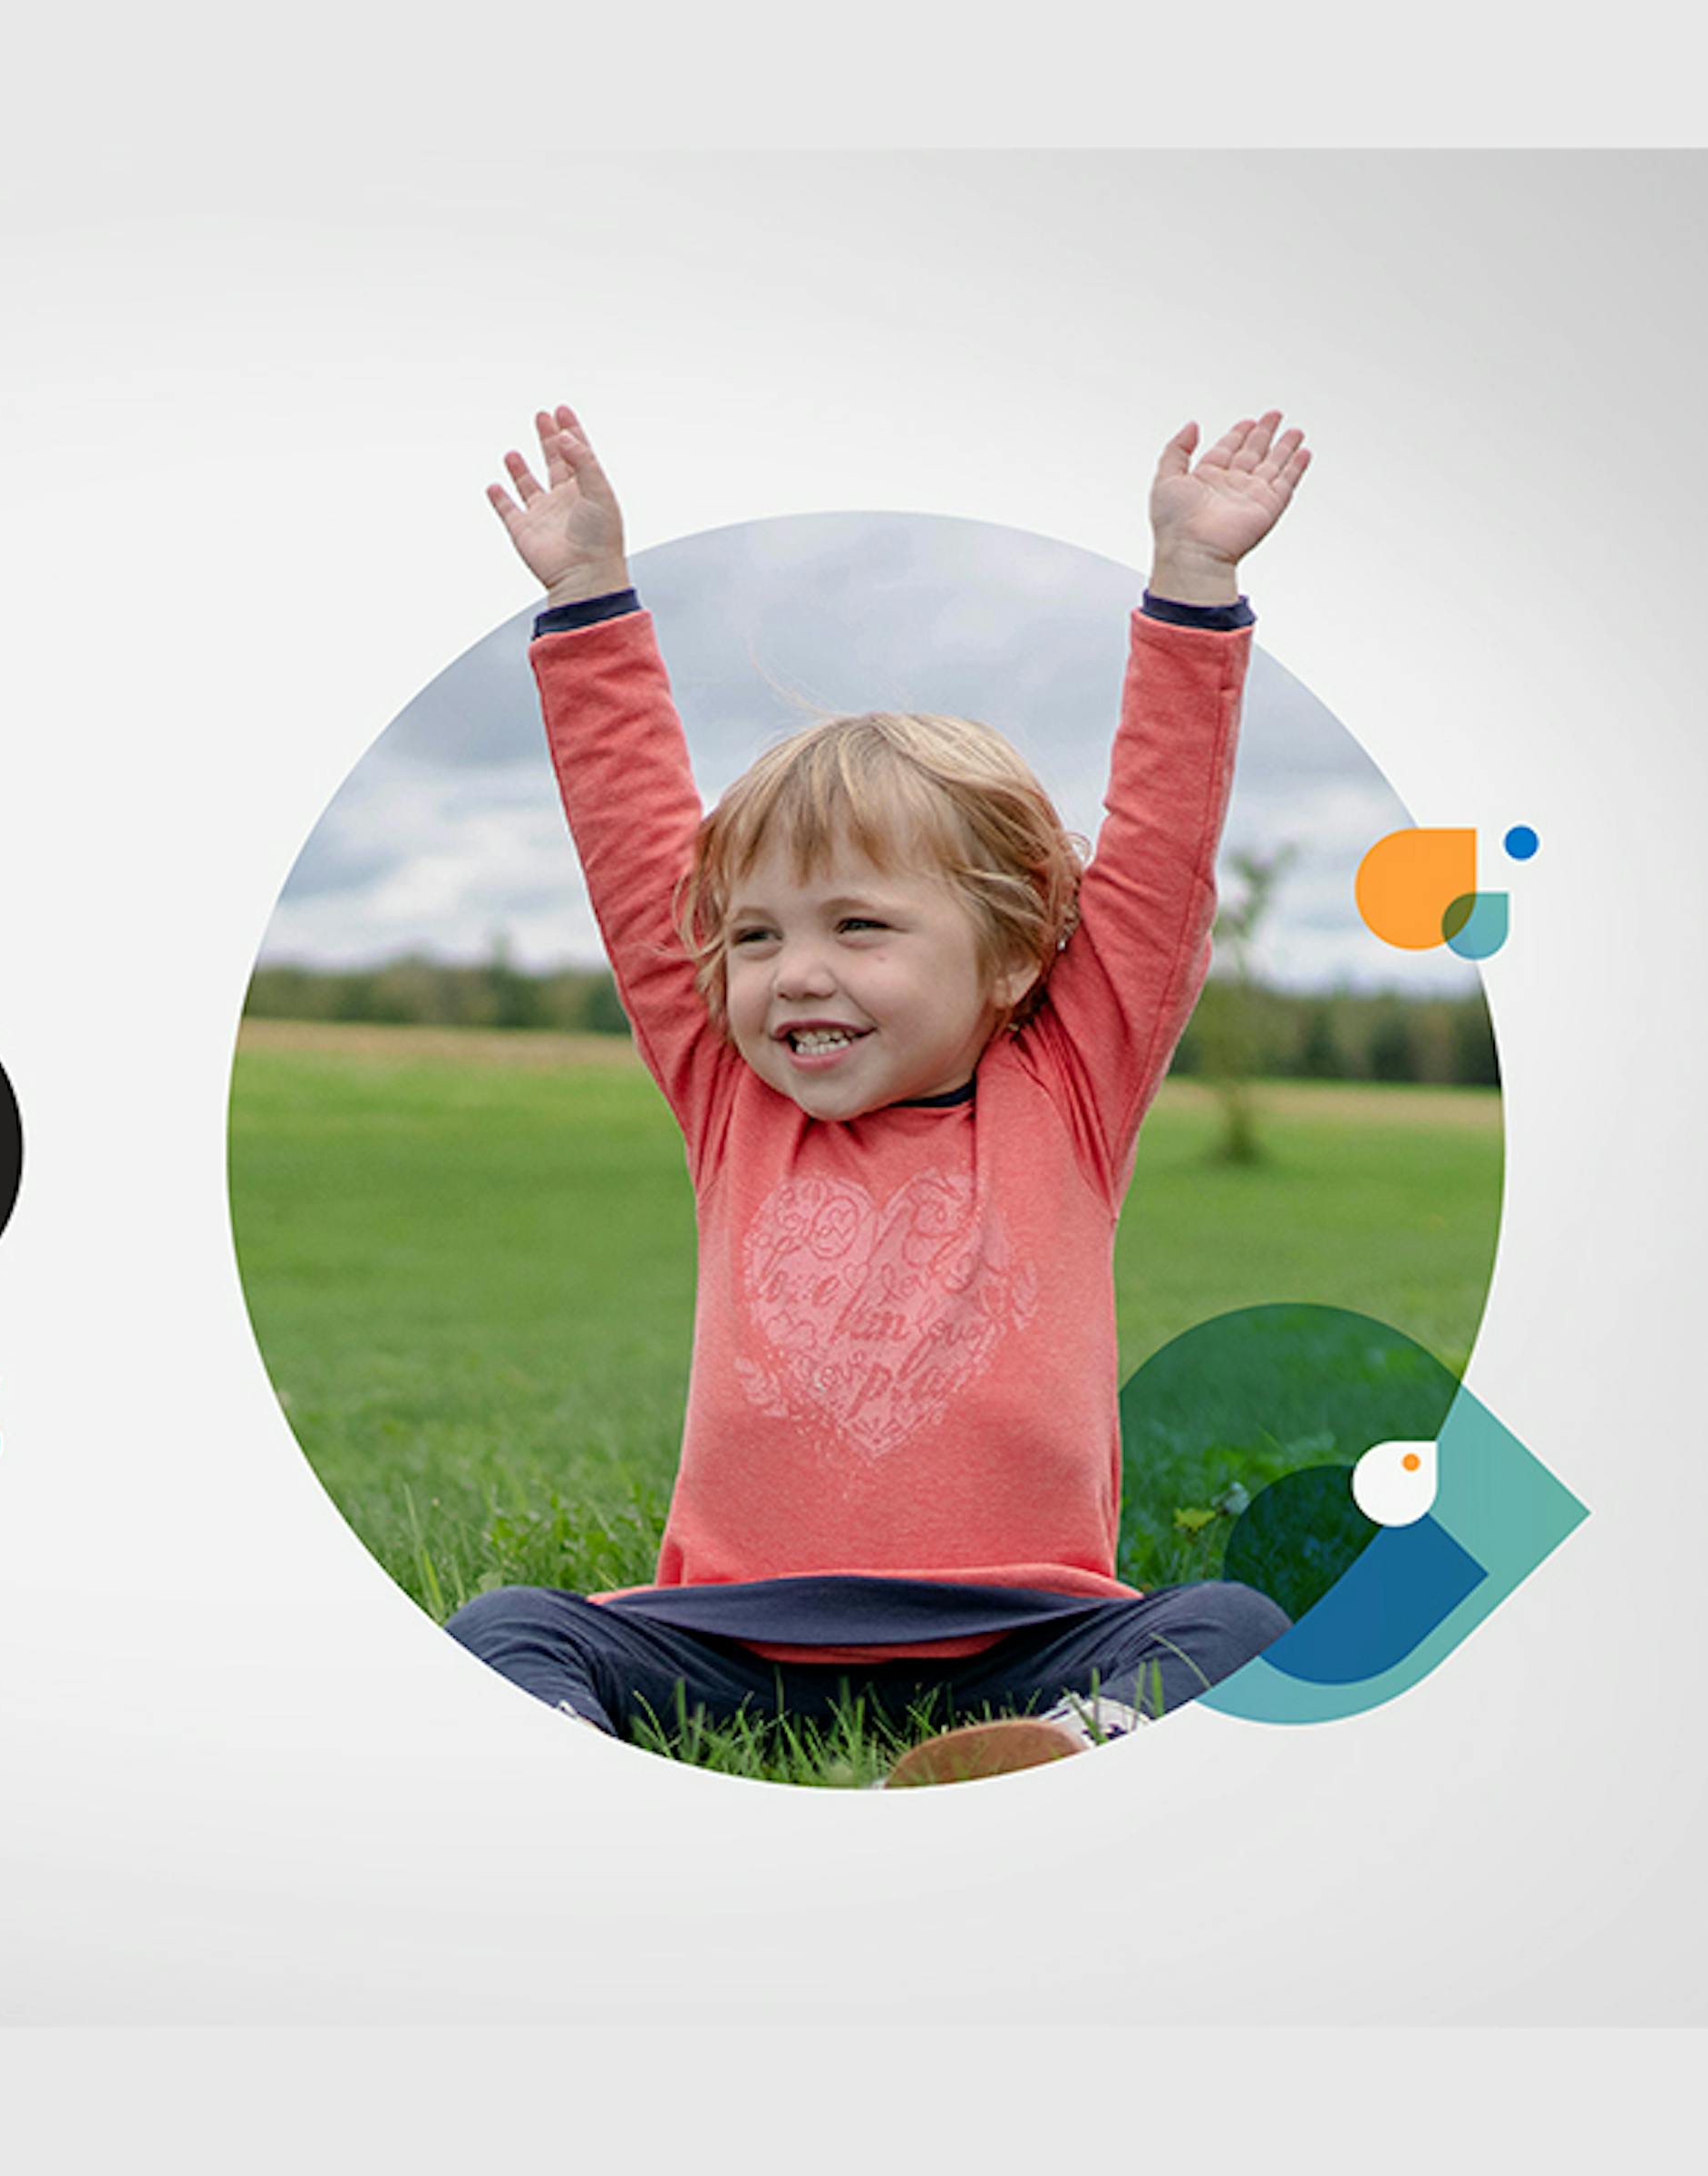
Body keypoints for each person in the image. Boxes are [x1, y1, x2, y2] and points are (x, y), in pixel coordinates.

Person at [451, 403, 1310, 1784]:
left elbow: (1161, 851)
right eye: (754, 936)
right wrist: (587, 599)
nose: (795, 975)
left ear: (1017, 948)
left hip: (1032, 1631)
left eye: (858, 929)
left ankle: (1073, 1740)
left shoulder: (1071, 1087)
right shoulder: (735, 1098)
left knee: (1238, 1623)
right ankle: (558, 1753)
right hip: (733, 1639)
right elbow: (632, 843)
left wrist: (1193, 588)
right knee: (506, 1629)